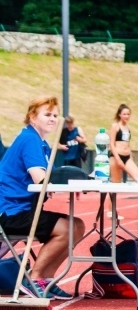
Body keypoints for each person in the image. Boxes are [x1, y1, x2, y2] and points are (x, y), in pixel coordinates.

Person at [0, 96, 85, 299]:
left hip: (22, 210)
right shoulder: (29, 140)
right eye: (47, 114)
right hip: (10, 213)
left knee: (78, 225)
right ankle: (33, 278)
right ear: (32, 117)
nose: (53, 119)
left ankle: (45, 279)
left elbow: (54, 178)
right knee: (67, 228)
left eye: (55, 115)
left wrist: (78, 181)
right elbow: (41, 180)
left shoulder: (41, 143)